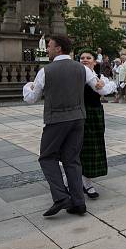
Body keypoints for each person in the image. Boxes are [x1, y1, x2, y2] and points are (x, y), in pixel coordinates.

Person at [23, 35, 111, 216]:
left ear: (58, 48)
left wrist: (27, 86)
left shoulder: (45, 71)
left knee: (47, 157)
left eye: (49, 46)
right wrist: (106, 84)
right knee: (72, 159)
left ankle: (61, 196)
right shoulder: (82, 69)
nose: (47, 49)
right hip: (78, 119)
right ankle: (78, 203)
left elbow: (31, 99)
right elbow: (101, 88)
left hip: (56, 120)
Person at [78, 49, 117, 198]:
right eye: (82, 58)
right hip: (79, 113)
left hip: (94, 114)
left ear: (95, 61)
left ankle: (87, 182)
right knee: (77, 148)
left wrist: (105, 85)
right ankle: (74, 181)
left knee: (93, 149)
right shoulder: (76, 76)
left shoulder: (100, 77)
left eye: (88, 58)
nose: (85, 60)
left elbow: (109, 88)